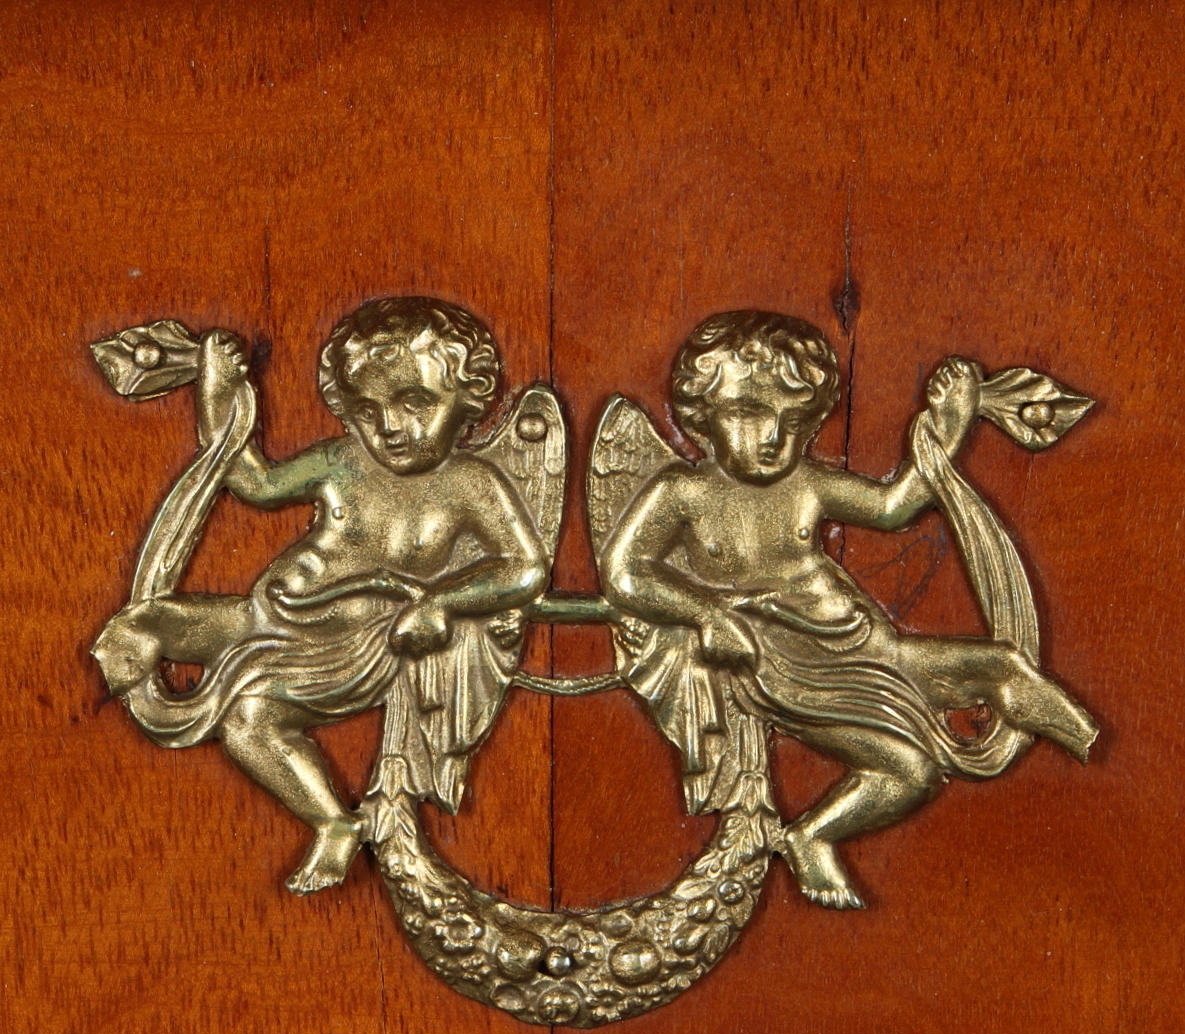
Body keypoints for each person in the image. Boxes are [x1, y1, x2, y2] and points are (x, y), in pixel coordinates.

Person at [602, 311, 1097, 909]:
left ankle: (1112, 766)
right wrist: (707, 614)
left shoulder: (807, 482)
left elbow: (894, 506)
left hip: (865, 643)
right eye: (748, 412)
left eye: (794, 420)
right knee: (911, 773)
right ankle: (811, 836)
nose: (773, 437)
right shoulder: (682, 493)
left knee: (1005, 668)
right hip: (787, 669)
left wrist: (950, 426)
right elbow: (626, 572)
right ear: (701, 414)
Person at [100, 298, 548, 894]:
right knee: (136, 631)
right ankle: (124, 736)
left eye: (415, 402)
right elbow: (254, 481)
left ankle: (335, 823)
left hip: (347, 647)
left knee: (249, 722)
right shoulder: (342, 460)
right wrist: (217, 392)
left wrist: (439, 604)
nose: (389, 427)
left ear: (470, 397)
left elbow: (525, 566)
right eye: (367, 410)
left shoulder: (471, 485)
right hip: (267, 615)